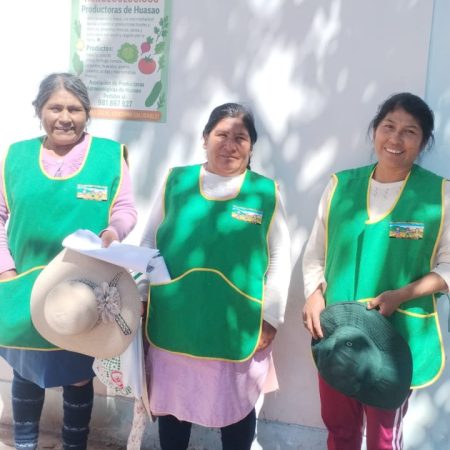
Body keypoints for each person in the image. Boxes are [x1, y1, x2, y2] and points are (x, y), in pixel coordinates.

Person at [138, 102, 291, 450]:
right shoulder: (176, 181)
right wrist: (143, 295)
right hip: (175, 318)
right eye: (221, 135)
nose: (230, 145)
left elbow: (281, 258)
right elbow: (149, 242)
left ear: (251, 147)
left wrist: (271, 317)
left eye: (241, 138)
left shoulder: (265, 192)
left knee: (235, 408)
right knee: (174, 407)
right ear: (205, 138)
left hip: (235, 323)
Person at [302, 92, 450, 450]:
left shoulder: (439, 195)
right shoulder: (340, 186)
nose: (396, 139)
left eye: (410, 131)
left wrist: (403, 294)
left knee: (383, 439)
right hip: (337, 331)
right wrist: (313, 294)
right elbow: (315, 253)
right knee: (340, 430)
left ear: (423, 142)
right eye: (389, 126)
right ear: (374, 131)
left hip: (397, 339)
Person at [0, 72, 137, 450]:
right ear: (39, 111)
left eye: (75, 109)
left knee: (78, 373)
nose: (65, 117)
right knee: (26, 371)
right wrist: (5, 269)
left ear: (87, 113)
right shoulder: (16, 156)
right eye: (55, 108)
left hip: (82, 290)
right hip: (23, 282)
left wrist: (113, 232)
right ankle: (25, 444)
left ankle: (74, 445)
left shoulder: (108, 156)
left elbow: (125, 209)